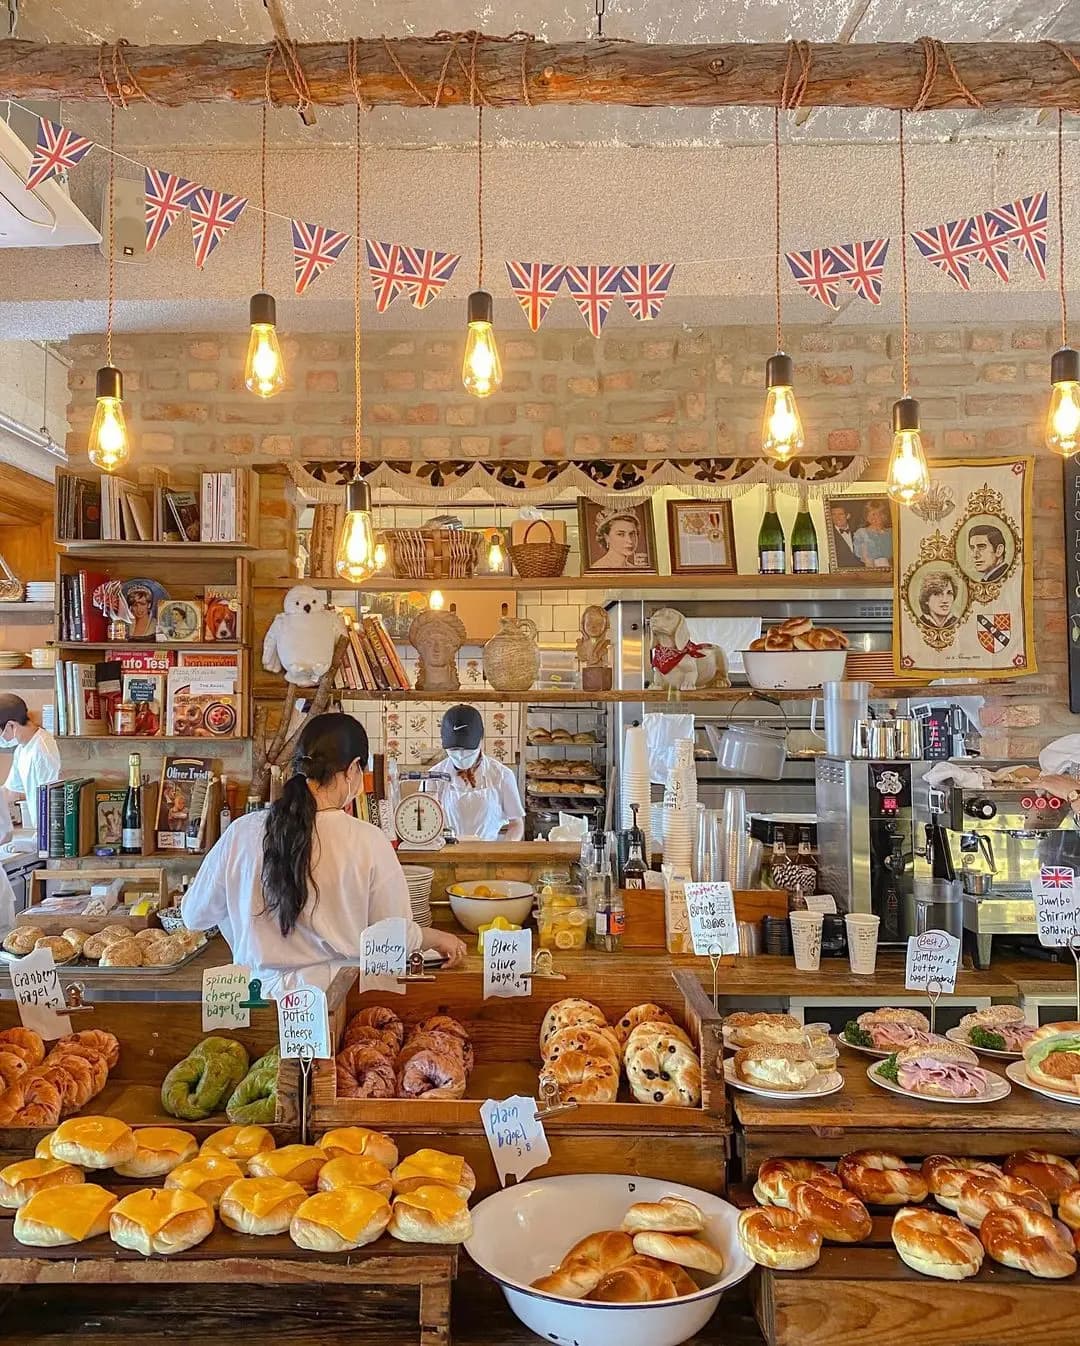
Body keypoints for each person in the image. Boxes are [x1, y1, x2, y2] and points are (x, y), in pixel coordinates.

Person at [182, 712, 465, 996]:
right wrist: (435, 937)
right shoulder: (369, 841)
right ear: (353, 769)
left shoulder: (242, 832)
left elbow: (195, 916)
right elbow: (390, 936)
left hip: (259, 1002)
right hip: (338, 1002)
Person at [431, 705, 525, 841]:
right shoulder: (433, 776)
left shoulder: (502, 775)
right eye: (454, 750)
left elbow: (516, 824)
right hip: (447, 854)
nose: (461, 755)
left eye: (468, 749)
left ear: (481, 740)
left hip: (489, 855)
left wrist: (506, 851)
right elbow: (425, 823)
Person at [0, 693, 61, 847]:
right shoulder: (22, 749)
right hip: (40, 834)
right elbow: (9, 791)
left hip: (54, 837)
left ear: (11, 726)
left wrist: (37, 843)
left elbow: (53, 802)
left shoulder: (43, 750)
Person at [853, 500, 892, 569]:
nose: (876, 517)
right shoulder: (861, 533)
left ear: (884, 515)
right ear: (867, 517)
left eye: (880, 513)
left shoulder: (891, 532)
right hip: (872, 571)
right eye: (872, 514)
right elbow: (866, 559)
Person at [828, 503, 859, 568]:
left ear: (848, 516)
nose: (837, 517)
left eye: (840, 514)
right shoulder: (828, 535)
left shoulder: (858, 532)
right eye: (833, 514)